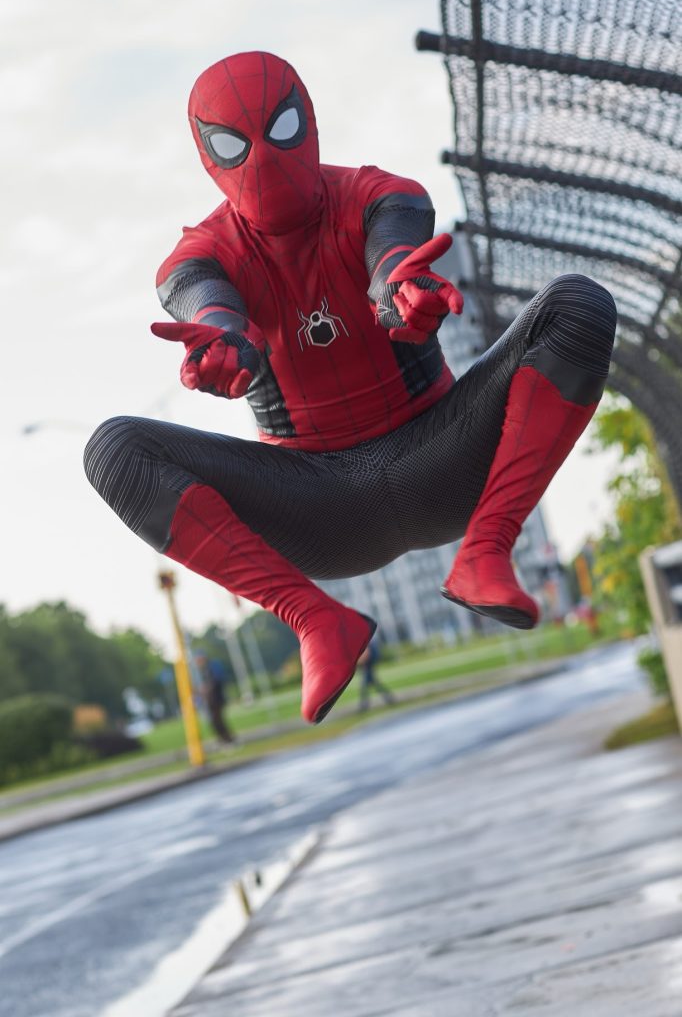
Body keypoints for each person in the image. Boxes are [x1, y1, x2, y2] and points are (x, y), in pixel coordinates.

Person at [84, 51, 617, 726]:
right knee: (113, 450)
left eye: (279, 131)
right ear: (206, 156)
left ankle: (487, 549)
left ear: (307, 122)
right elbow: (213, 308)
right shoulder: (198, 256)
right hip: (317, 504)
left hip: (443, 458)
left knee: (579, 305)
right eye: (233, 144)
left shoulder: (380, 193)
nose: (263, 160)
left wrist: (403, 299)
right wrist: (223, 349)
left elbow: (389, 264)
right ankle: (314, 621)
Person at [194, 651, 235, 744]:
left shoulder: (212, 666)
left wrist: (206, 688)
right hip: (211, 699)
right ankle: (224, 739)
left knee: (217, 719)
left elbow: (217, 680)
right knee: (214, 720)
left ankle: (228, 739)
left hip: (216, 698)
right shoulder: (205, 669)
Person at [357, 636, 395, 712]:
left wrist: (358, 662)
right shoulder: (366, 639)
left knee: (364, 685)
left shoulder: (363, 640)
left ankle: (364, 706)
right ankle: (389, 699)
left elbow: (366, 654)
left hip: (368, 664)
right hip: (369, 664)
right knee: (374, 684)